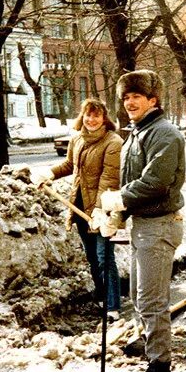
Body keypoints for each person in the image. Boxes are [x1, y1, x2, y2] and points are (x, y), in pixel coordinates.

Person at [99, 69, 185, 372]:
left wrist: (117, 200)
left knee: (152, 303)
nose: (129, 102)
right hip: (142, 225)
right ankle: (153, 366)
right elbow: (129, 182)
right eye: (125, 97)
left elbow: (156, 183)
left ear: (153, 99)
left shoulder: (165, 133)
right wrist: (115, 216)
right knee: (138, 297)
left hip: (159, 226)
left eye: (136, 96)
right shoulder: (136, 134)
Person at [36, 98, 123, 322]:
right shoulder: (77, 139)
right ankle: (103, 298)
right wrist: (50, 173)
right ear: (82, 116)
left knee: (105, 257)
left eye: (96, 115)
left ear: (104, 118)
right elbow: (69, 166)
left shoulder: (113, 142)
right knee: (92, 257)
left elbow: (109, 179)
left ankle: (113, 307)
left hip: (103, 209)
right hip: (80, 206)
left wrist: (100, 210)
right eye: (88, 115)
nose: (91, 119)